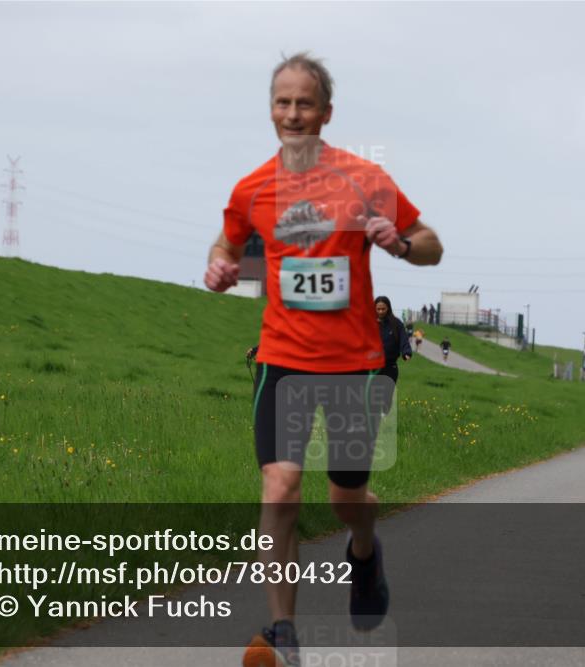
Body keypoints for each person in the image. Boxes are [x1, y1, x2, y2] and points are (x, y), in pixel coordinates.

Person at [204, 52, 443, 667]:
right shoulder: (251, 188)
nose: (292, 113)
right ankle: (284, 631)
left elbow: (431, 247)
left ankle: (365, 550)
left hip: (353, 363)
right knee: (280, 486)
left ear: (326, 111)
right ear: (271, 110)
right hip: (281, 358)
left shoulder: (364, 178)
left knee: (345, 498)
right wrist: (220, 267)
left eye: (304, 102)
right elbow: (226, 242)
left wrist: (399, 243)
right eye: (282, 102)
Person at [375, 295, 412, 414]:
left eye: (383, 309)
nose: (380, 312)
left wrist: (406, 352)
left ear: (388, 308)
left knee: (386, 395)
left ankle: (384, 416)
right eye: (378, 309)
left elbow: (403, 339)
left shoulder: (396, 324)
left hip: (390, 366)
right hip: (372, 365)